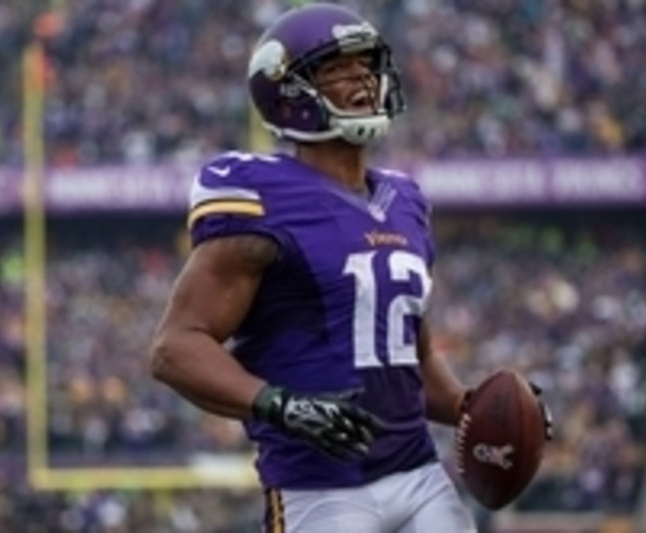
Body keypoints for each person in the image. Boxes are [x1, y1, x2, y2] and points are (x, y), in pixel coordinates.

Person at [151, 4, 548, 532]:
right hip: (318, 488)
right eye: (337, 68)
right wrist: (278, 404)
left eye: (366, 65)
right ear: (288, 92)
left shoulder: (405, 200)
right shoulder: (262, 198)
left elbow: (412, 354)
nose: (362, 77)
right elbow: (175, 347)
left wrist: (480, 410)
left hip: (418, 474)